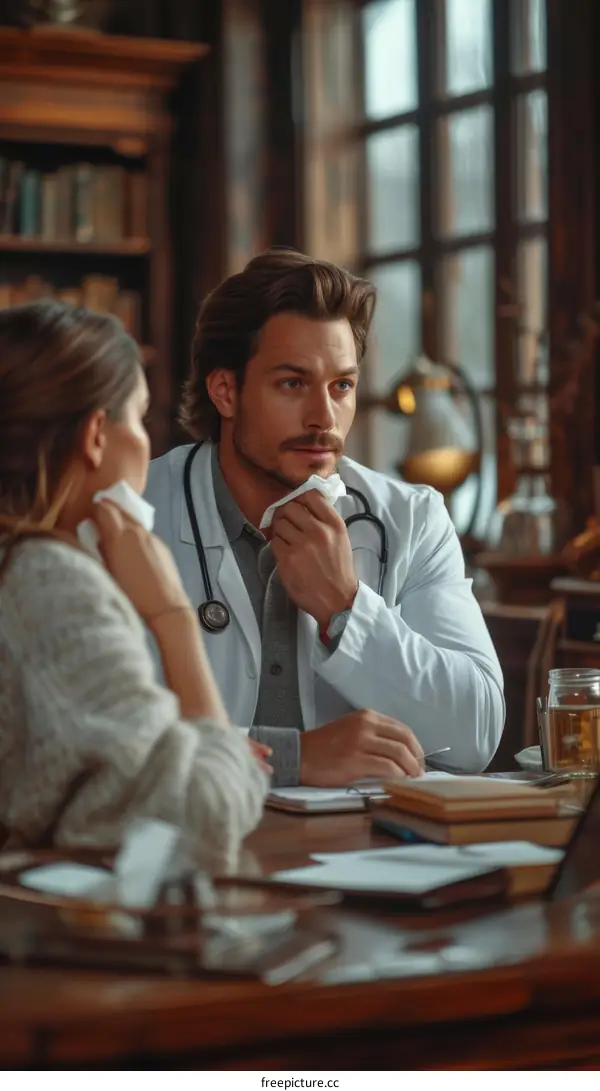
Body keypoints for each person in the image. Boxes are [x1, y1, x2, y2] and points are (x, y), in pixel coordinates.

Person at [145, 248, 505, 788]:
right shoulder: (135, 511)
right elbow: (96, 739)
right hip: (189, 849)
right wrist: (289, 758)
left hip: (362, 856)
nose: (324, 419)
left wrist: (345, 609)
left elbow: (474, 735)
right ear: (225, 391)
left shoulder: (411, 518)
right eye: (292, 384)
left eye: (342, 386)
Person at [0, 300, 268, 869]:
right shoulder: (47, 580)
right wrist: (173, 616)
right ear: (97, 434)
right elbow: (204, 818)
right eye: (140, 420)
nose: (148, 444)